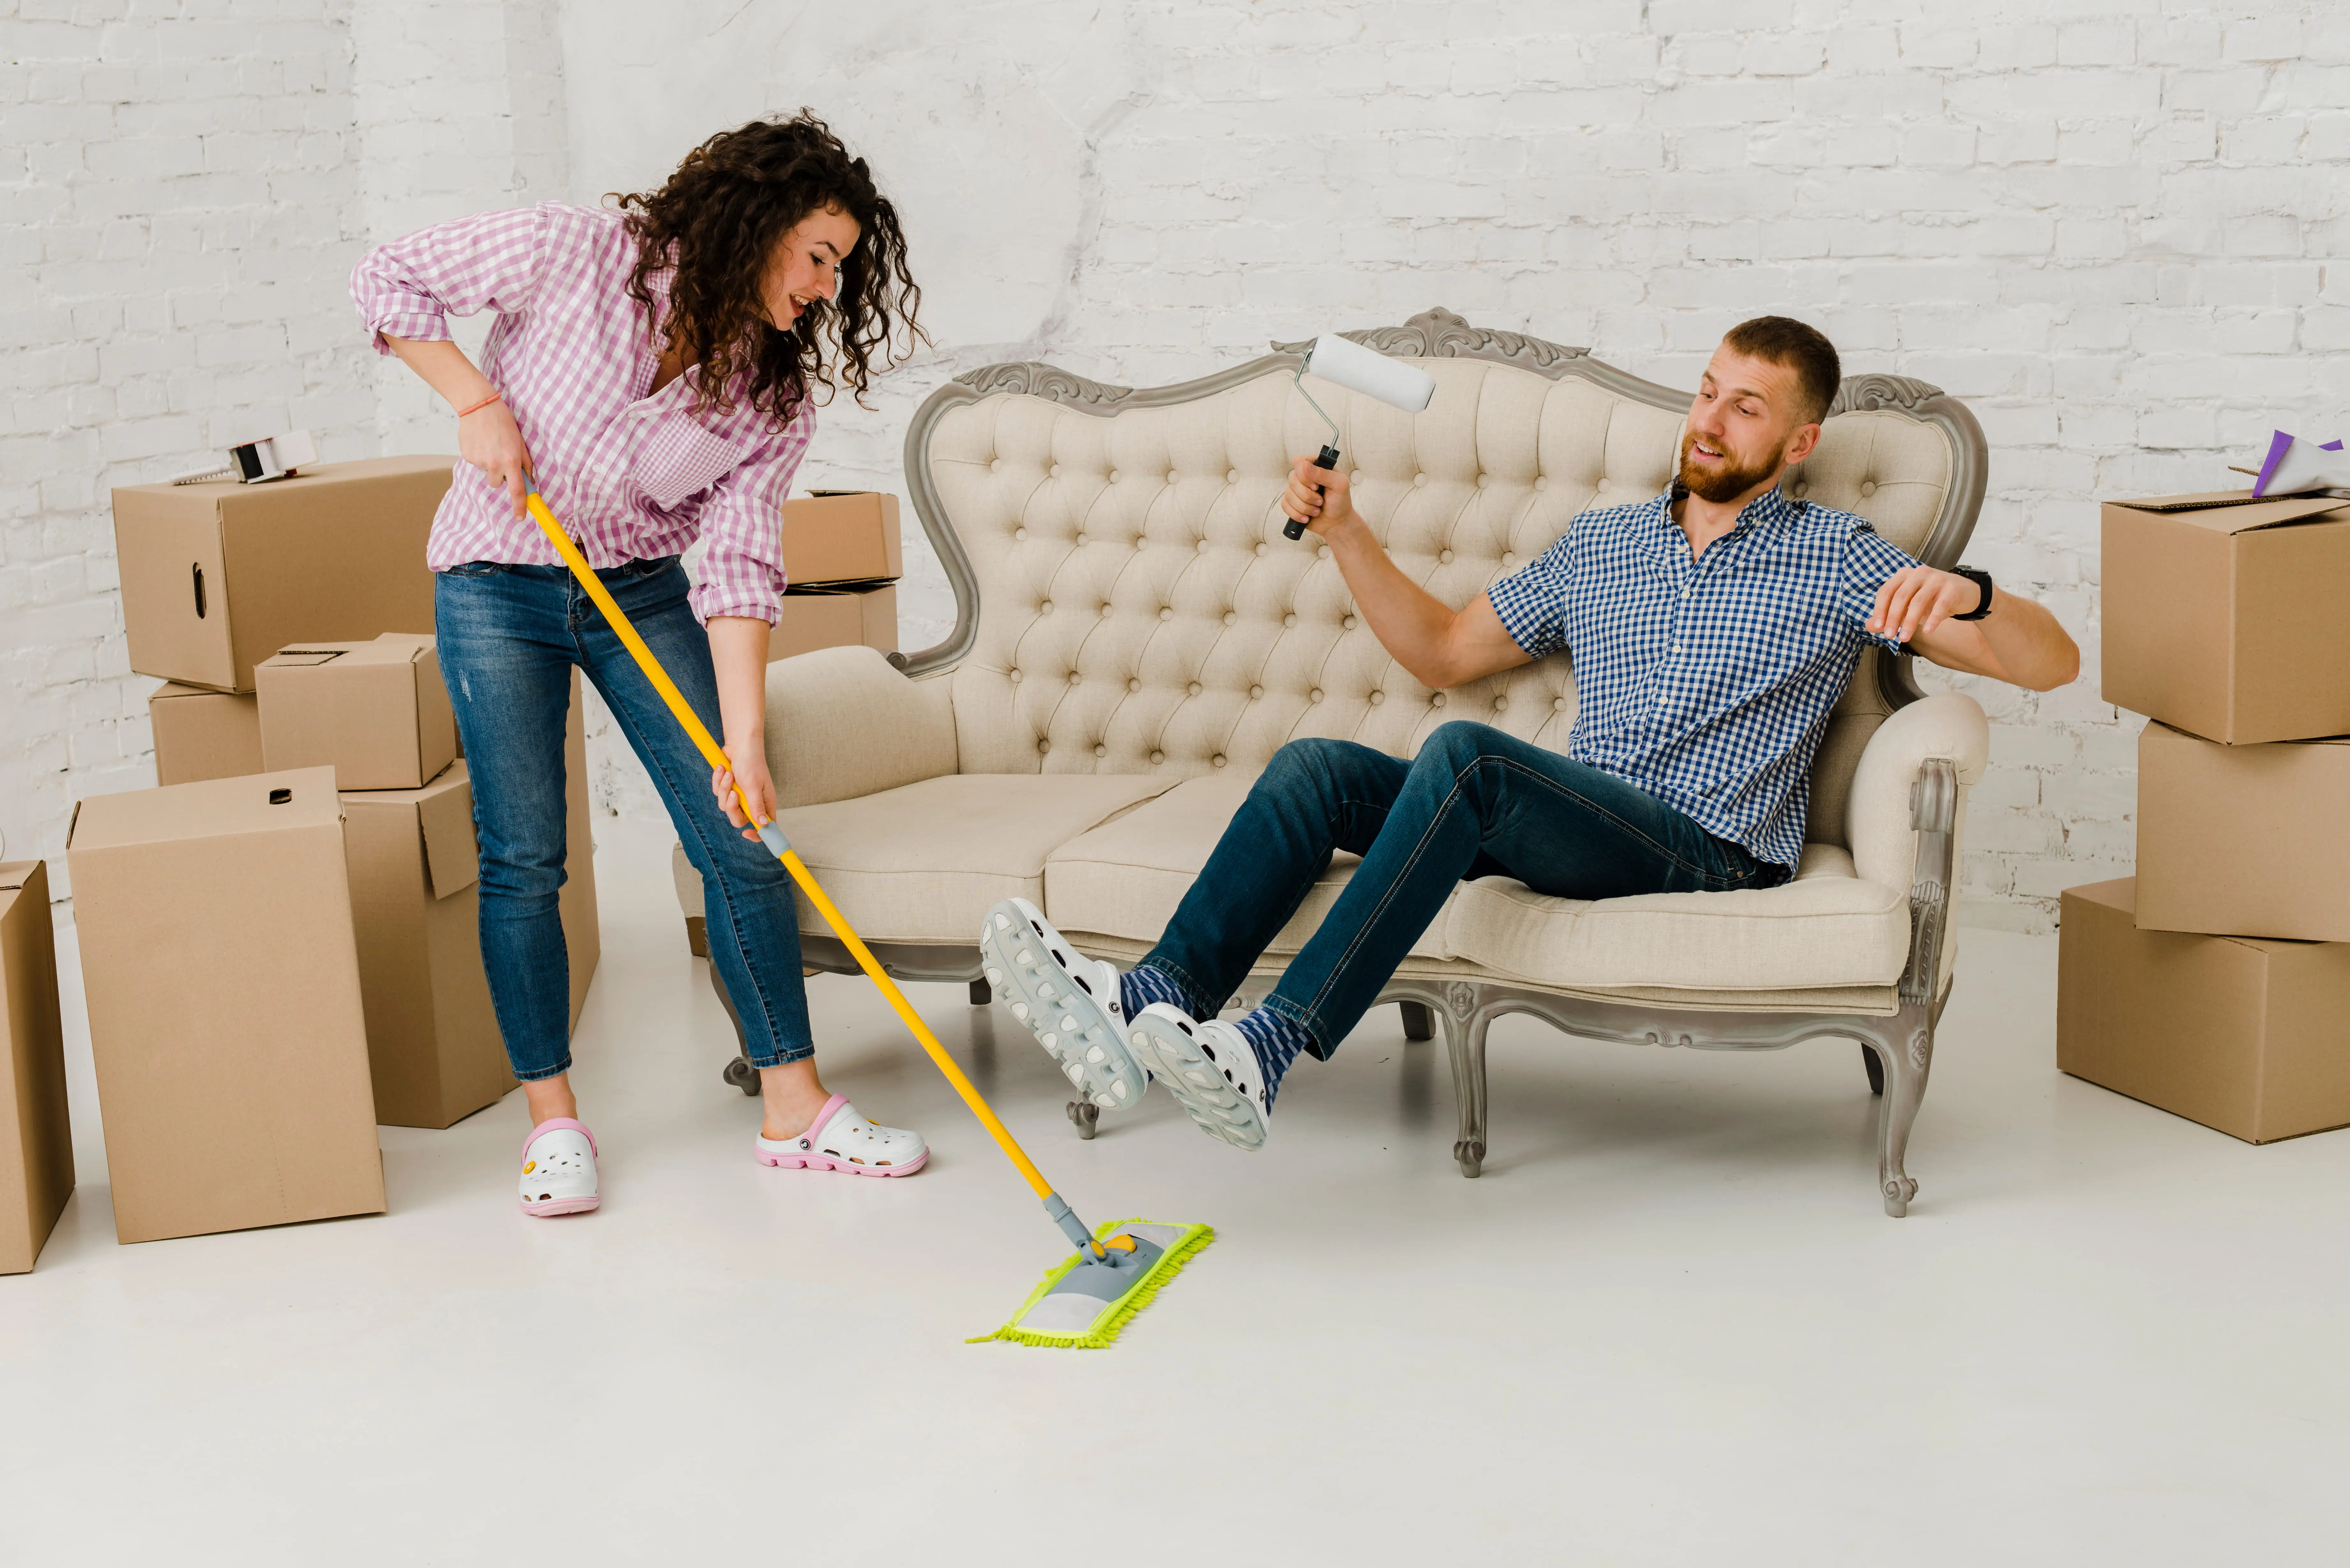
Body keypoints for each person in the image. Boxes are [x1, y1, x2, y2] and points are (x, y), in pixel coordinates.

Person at [979, 317, 2079, 1151]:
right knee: (1315, 768)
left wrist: (1968, 599)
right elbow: (1446, 654)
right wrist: (1348, 531)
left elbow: (2052, 664)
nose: (1709, 418)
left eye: (1746, 407)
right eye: (1707, 392)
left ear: (1801, 440)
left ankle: (1273, 1047)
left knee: (1469, 759)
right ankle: (1152, 1001)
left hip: (1709, 851)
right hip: (1576, 817)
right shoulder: (1600, 545)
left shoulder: (1837, 554)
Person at [352, 112, 930, 1215]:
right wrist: (474, 402)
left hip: (639, 590)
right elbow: (389, 278)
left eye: (841, 270)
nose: (824, 286)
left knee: (740, 832)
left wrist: (746, 742)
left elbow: (742, 564)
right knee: (523, 859)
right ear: (756, 223)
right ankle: (554, 1122)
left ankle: (795, 1107)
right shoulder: (581, 251)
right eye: (817, 254)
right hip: (497, 577)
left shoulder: (769, 397)